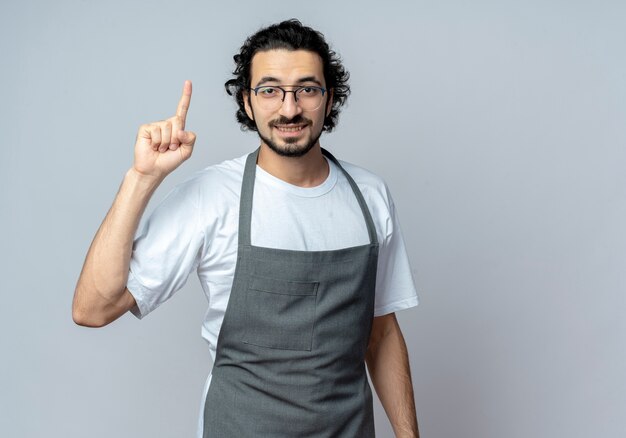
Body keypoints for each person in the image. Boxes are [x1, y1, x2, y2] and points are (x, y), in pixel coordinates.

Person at [73, 19, 420, 438]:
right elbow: (93, 309)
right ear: (248, 102)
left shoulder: (370, 196)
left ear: (329, 100)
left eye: (307, 89)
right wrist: (141, 178)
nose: (289, 109)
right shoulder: (211, 197)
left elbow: (380, 334)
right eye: (270, 90)